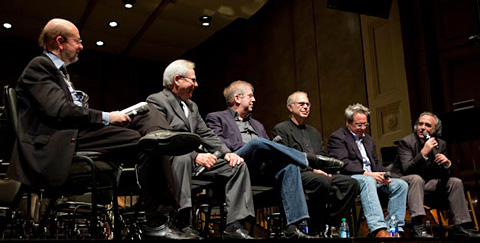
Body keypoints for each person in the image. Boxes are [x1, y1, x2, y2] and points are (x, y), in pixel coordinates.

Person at [6, 18, 201, 240]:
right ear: (60, 41)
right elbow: (59, 111)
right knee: (147, 145)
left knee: (146, 114)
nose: (81, 46)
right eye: (77, 41)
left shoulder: (59, 73)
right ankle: (156, 222)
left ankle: (159, 134)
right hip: (56, 142)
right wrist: (107, 117)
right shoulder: (40, 66)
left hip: (76, 133)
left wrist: (110, 117)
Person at [205, 81, 332, 238]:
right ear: (237, 98)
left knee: (290, 166)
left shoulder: (256, 124)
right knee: (257, 143)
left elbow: (268, 146)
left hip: (260, 168)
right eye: (251, 96)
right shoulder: (217, 118)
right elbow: (217, 143)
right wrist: (251, 146)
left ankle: (293, 228)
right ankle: (308, 159)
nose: (254, 100)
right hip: (235, 162)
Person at [146, 60, 255, 239]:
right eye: (193, 80)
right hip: (172, 160)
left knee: (237, 165)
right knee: (182, 158)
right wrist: (195, 156)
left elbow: (206, 133)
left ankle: (233, 227)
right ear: (177, 80)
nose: (196, 85)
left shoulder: (192, 106)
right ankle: (182, 222)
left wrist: (228, 153)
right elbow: (163, 137)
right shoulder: (157, 100)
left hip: (196, 163)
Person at [272, 91, 360, 236]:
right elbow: (285, 157)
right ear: (290, 107)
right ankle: (317, 226)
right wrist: (313, 171)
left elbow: (322, 156)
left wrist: (328, 171)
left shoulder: (314, 132)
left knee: (351, 184)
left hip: (320, 174)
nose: (306, 107)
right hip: (298, 174)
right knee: (322, 181)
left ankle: (330, 224)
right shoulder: (281, 129)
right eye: (301, 104)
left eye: (307, 104)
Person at [391, 112, 480, 237]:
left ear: (434, 130)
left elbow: (444, 175)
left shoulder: (440, 144)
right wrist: (423, 153)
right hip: (405, 183)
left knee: (455, 182)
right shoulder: (407, 142)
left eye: (427, 125)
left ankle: (461, 226)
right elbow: (406, 169)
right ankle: (417, 224)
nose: (423, 127)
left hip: (427, 183)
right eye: (420, 124)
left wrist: (446, 164)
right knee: (417, 179)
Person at [327, 103, 408, 238]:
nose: (363, 128)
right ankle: (378, 229)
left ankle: (394, 229)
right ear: (348, 122)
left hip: (372, 177)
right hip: (351, 178)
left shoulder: (368, 139)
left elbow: (376, 163)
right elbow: (342, 164)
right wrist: (368, 174)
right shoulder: (338, 137)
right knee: (368, 180)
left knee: (400, 185)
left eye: (365, 124)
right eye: (359, 125)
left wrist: (384, 175)